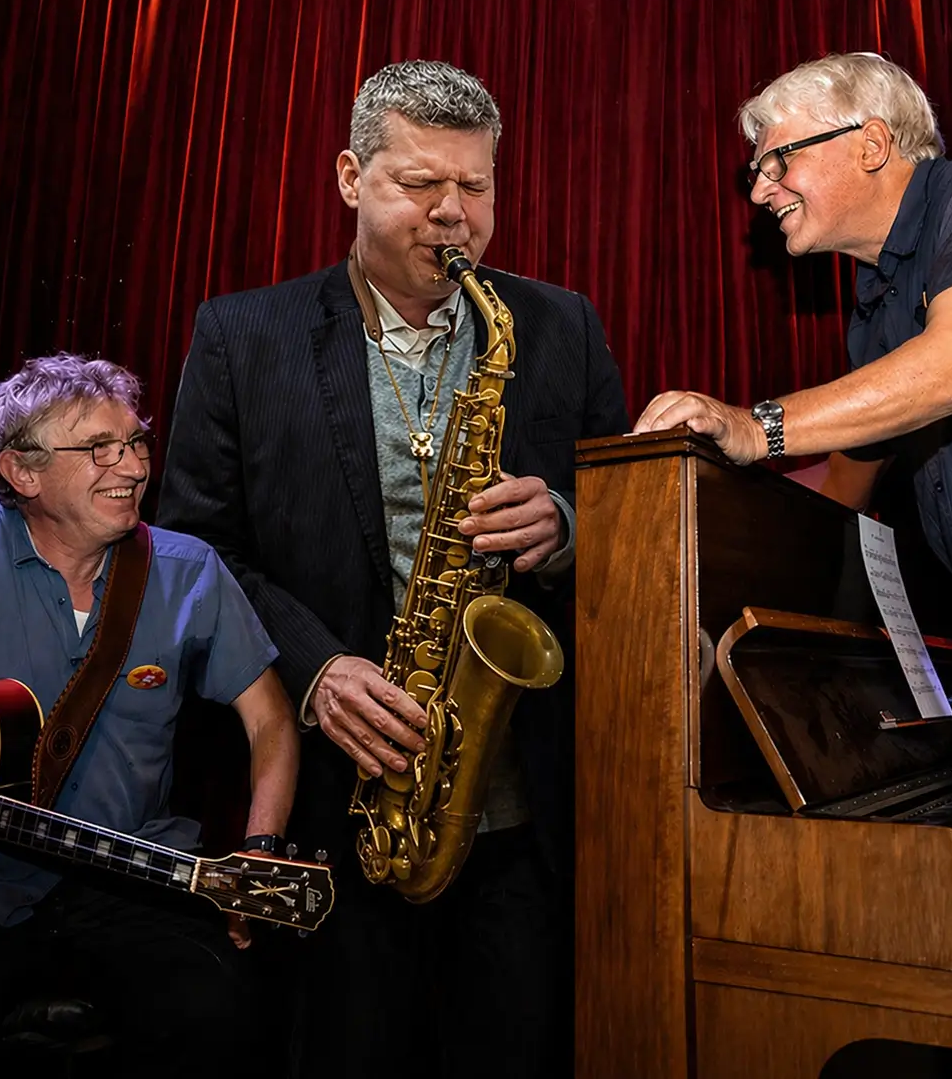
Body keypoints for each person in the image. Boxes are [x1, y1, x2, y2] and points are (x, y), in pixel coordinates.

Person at [157, 59, 630, 1078]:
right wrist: (315, 670)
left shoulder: (558, 326)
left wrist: (569, 525)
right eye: (421, 184)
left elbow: (632, 529)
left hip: (524, 809)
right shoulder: (243, 335)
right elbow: (193, 555)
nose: (454, 214)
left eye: (477, 186)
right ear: (347, 177)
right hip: (341, 801)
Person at [635, 52, 952, 731]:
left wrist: (755, 427)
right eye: (756, 173)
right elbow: (841, 493)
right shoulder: (877, 313)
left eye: (778, 162)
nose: (759, 193)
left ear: (870, 144)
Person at [0, 353, 298, 1077]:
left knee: (222, 1009)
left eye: (136, 442)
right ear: (24, 473)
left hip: (126, 880)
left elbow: (271, 720)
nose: (131, 465)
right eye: (98, 448)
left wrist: (264, 842)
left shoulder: (189, 570)